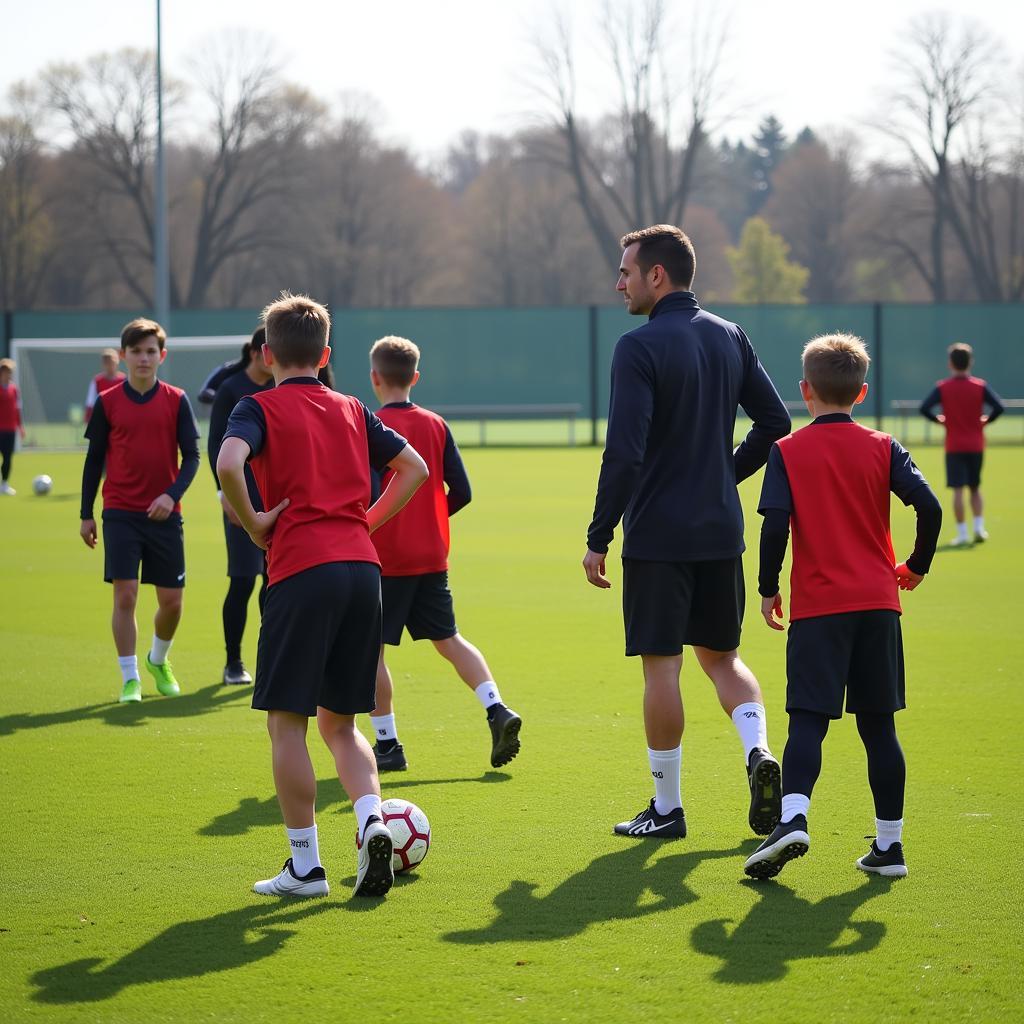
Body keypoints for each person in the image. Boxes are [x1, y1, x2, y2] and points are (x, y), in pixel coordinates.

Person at [583, 224, 791, 840]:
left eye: (625, 271)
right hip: (720, 531)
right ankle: (758, 752)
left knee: (662, 668)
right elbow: (776, 422)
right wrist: (723, 477)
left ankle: (667, 809)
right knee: (723, 658)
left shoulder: (636, 347)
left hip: (659, 535)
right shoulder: (731, 336)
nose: (617, 282)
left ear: (656, 275)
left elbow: (624, 451)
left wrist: (600, 534)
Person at [217, 293, 428, 899]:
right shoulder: (353, 408)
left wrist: (256, 521)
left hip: (300, 571)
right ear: (327, 354)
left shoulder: (254, 406)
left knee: (288, 724)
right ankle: (371, 826)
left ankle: (306, 868)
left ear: (267, 353)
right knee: (343, 723)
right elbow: (411, 468)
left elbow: (230, 464)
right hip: (362, 572)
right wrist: (365, 521)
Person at [744, 334, 942, 880]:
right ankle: (889, 847)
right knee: (880, 728)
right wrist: (917, 564)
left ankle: (794, 818)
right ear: (862, 392)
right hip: (879, 605)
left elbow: (774, 524)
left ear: (805, 390)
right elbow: (928, 504)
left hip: (820, 607)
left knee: (808, 720)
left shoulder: (787, 450)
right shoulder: (884, 445)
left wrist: (767, 587)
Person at [367, 336, 523, 773]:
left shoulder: (369, 425)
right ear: (415, 377)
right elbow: (463, 492)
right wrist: (431, 514)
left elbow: (369, 490)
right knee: (450, 640)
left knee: (372, 651)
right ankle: (496, 708)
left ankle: (388, 745)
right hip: (431, 555)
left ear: (375, 377)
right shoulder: (436, 424)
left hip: (384, 556)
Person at [79, 319, 200, 703]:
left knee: (172, 602)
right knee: (126, 595)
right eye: (136, 351)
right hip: (120, 512)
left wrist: (171, 495)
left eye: (151, 351)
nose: (144, 358)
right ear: (123, 356)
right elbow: (94, 459)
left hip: (166, 514)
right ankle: (130, 678)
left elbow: (194, 456)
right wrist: (86, 513)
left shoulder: (177, 399)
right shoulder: (107, 402)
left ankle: (157, 660)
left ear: (162, 356)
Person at [208, 327, 274, 685]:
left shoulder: (281, 388)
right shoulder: (232, 389)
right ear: (257, 352)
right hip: (239, 497)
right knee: (243, 580)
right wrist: (223, 494)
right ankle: (233, 661)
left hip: (276, 498)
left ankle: (269, 658)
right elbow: (215, 446)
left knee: (275, 581)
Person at [919, 343, 1003, 546]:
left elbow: (924, 408)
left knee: (957, 490)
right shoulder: (980, 386)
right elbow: (999, 407)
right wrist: (985, 420)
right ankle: (979, 528)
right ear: (970, 362)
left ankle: (963, 533)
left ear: (950, 363)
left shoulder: (943, 387)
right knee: (975, 487)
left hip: (954, 445)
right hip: (976, 444)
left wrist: (940, 420)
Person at [0, 358, 26, 495]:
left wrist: (20, 426)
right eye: (5, 372)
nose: (8, 374)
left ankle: (4, 484)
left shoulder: (14, 389)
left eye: (9, 372)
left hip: (9, 429)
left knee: (8, 457)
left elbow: (17, 409)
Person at [84, 349, 126, 423]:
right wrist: (88, 418)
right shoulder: (97, 381)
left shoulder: (124, 380)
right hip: (102, 419)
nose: (109, 366)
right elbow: (90, 402)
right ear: (103, 364)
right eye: (107, 363)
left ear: (117, 362)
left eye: (112, 362)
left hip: (120, 418)